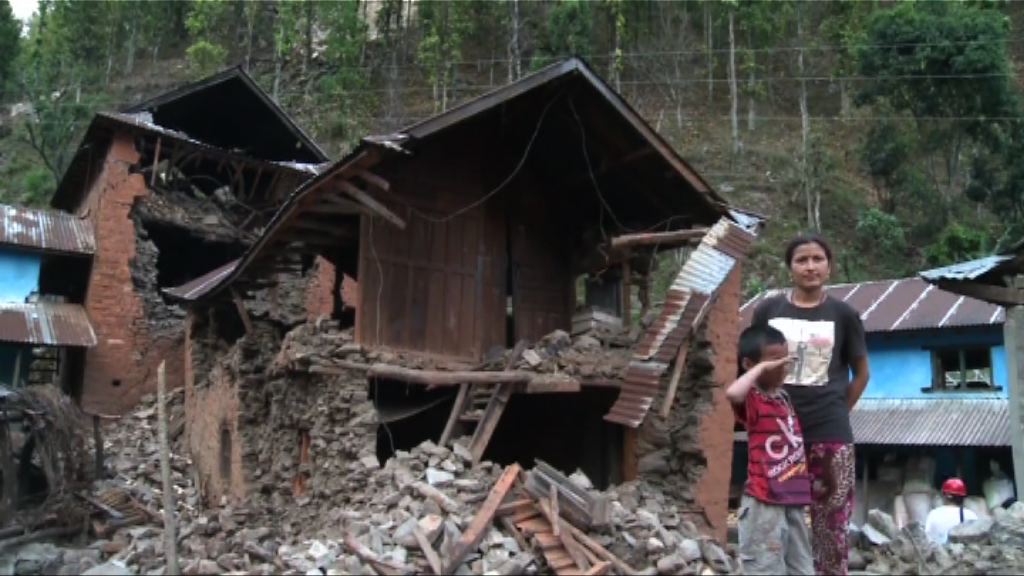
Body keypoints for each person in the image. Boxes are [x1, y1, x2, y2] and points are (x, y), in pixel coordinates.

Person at [751, 234, 870, 575]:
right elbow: (752, 365)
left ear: (829, 266)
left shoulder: (844, 314)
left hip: (830, 430)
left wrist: (837, 412)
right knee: (772, 514)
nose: (810, 266)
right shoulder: (768, 310)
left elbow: (861, 374)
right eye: (801, 260)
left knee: (831, 519)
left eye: (818, 259)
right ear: (790, 268)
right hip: (777, 433)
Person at [727, 324, 814, 575]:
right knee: (765, 568)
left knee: (803, 569)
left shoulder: (783, 398)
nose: (783, 366)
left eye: (786, 359)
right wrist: (761, 369)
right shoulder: (754, 398)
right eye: (776, 361)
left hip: (793, 500)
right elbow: (732, 394)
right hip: (764, 501)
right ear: (749, 364)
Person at [925, 478, 978, 545]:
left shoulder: (934, 514)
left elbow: (928, 537)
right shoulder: (971, 515)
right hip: (965, 553)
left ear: (946, 496)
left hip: (940, 552)